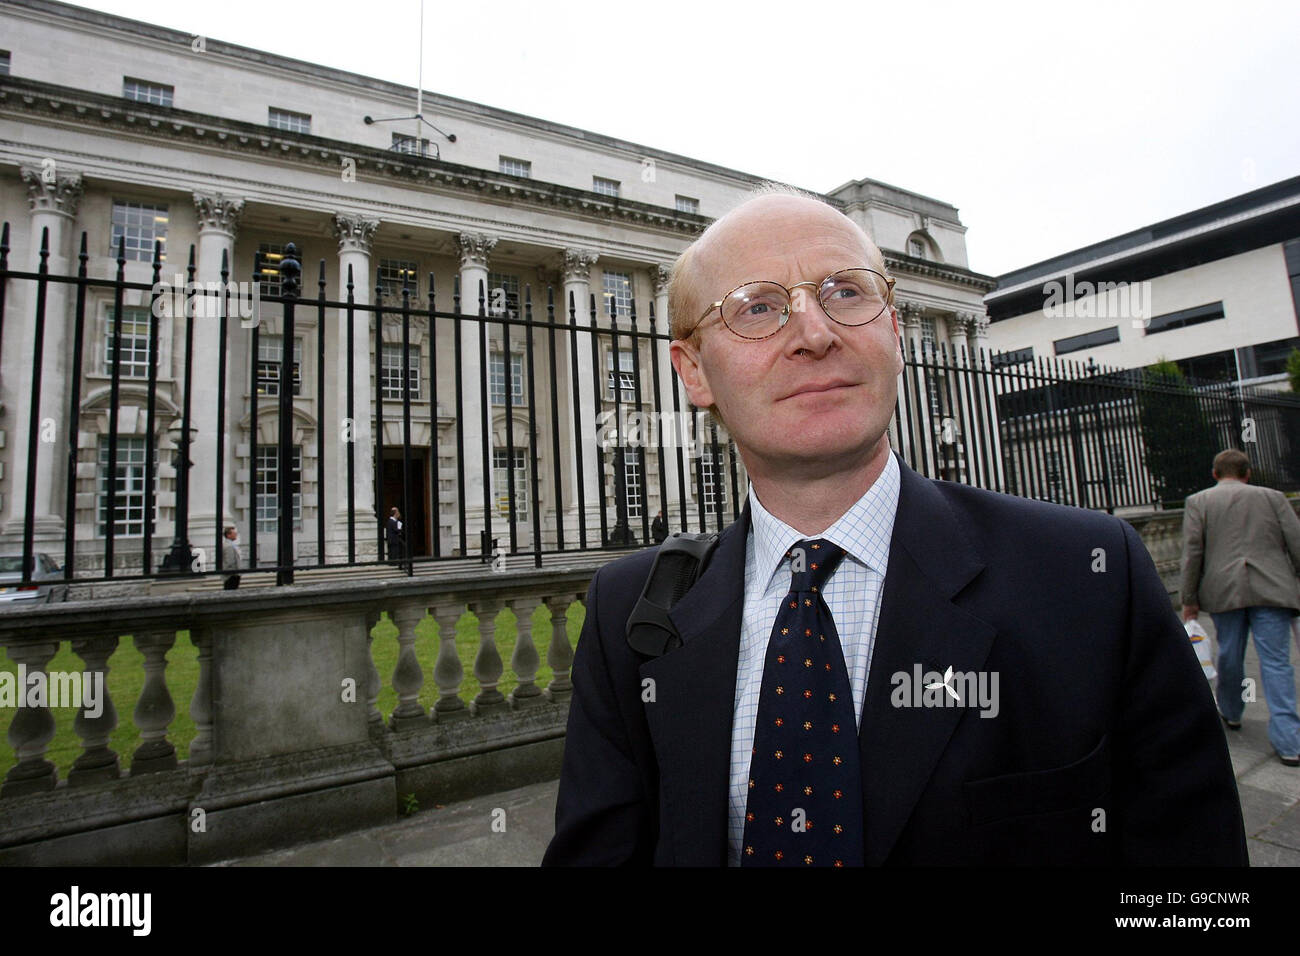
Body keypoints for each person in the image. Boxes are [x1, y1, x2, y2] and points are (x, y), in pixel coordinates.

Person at [542, 189, 1247, 866]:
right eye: (758, 308)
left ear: (895, 332)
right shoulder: (628, 614)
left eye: (845, 293)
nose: (815, 335)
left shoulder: (1089, 575)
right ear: (694, 371)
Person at [1181, 448, 1300, 766]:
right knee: (1277, 663)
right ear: (1248, 473)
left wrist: (1189, 599)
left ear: (1215, 473)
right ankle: (1290, 741)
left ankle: (1232, 710)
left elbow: (1193, 552)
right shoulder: (1274, 497)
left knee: (1229, 655)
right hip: (1272, 589)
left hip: (1224, 590)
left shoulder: (1199, 501)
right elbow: (1296, 541)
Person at [221, 525, 241, 590]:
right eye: (234, 533)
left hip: (232, 574)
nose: (236, 534)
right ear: (228, 535)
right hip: (231, 576)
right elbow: (230, 561)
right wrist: (234, 573)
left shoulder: (230, 545)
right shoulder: (229, 546)